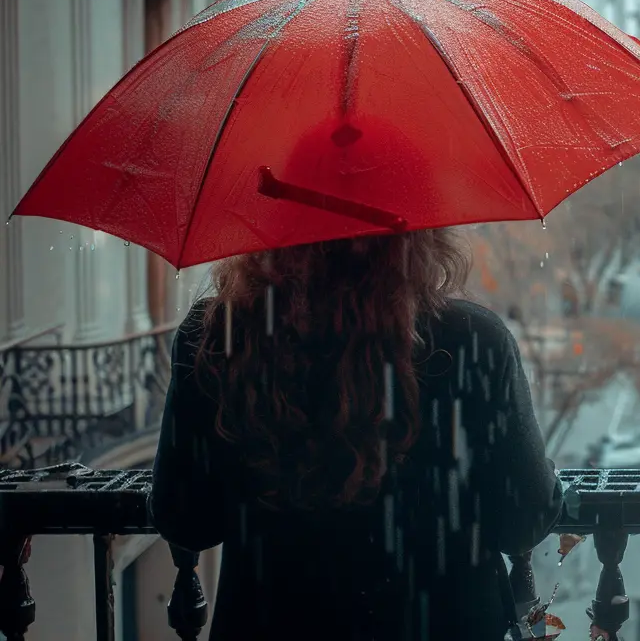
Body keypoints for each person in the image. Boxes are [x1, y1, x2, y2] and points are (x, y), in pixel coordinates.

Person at [149, 230, 564, 641]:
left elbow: (186, 520)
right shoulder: (472, 340)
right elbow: (523, 521)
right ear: (420, 235)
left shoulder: (216, 338)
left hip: (273, 625)